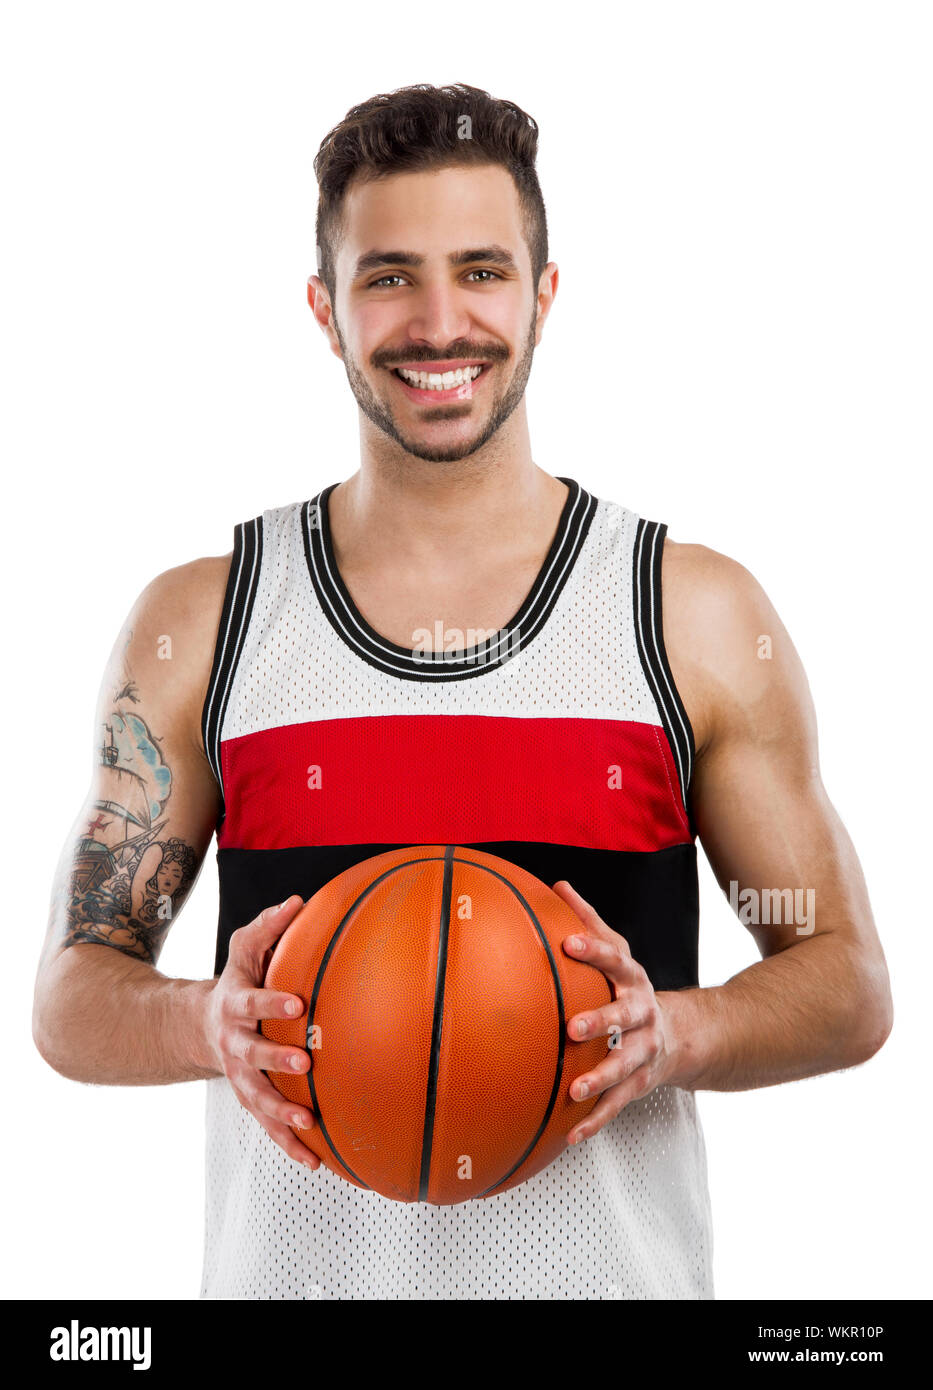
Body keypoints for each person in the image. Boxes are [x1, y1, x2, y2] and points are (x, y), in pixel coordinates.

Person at [33, 82, 893, 1301]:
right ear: (325, 311)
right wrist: (201, 1022)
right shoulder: (209, 618)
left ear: (544, 295)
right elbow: (73, 996)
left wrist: (675, 1034)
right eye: (388, 277)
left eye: (482, 270)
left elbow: (847, 982)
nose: (441, 322)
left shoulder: (687, 614)